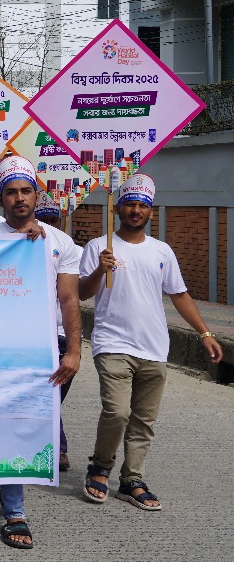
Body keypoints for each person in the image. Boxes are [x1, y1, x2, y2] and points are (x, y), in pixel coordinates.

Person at [78, 173, 223, 511]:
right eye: (130, 204)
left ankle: (132, 480)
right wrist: (100, 270)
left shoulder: (162, 251)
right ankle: (100, 467)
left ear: (151, 211)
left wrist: (205, 333)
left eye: (142, 205)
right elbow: (82, 293)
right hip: (112, 344)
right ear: (118, 208)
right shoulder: (99, 247)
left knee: (144, 419)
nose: (136, 210)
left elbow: (179, 295)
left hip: (154, 347)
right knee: (117, 412)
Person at [0, 155, 82, 549]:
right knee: (12, 424)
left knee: (27, 423)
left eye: (26, 191)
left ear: (37, 196)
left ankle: (11, 496)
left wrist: (73, 352)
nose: (19, 198)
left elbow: (69, 299)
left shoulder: (60, 243)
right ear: (0, 199)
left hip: (46, 350)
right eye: (11, 192)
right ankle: (15, 511)